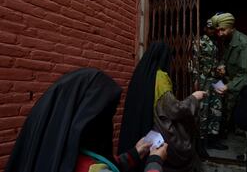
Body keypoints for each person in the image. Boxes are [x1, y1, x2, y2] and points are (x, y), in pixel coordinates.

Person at [5, 68, 166, 172]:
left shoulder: (57, 153)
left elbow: (102, 164)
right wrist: (155, 161)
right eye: (108, 114)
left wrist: (135, 153)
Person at [119, 42, 207, 172]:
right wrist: (194, 97)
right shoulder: (160, 77)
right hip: (157, 132)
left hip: (141, 129)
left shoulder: (142, 72)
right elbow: (173, 109)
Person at [210, 12, 247, 139]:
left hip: (242, 88)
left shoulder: (244, 44)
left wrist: (228, 86)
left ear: (231, 27)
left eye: (222, 30)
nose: (219, 33)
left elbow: (245, 73)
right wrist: (222, 66)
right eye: (217, 30)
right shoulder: (227, 40)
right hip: (232, 86)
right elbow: (225, 59)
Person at [191, 19, 227, 155]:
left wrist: (221, 67)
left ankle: (213, 139)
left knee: (217, 108)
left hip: (216, 79)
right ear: (205, 29)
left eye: (215, 29)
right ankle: (201, 143)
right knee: (203, 110)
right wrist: (195, 80)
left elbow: (220, 59)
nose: (213, 31)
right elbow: (193, 62)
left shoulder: (218, 43)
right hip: (203, 79)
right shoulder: (199, 42)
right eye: (210, 29)